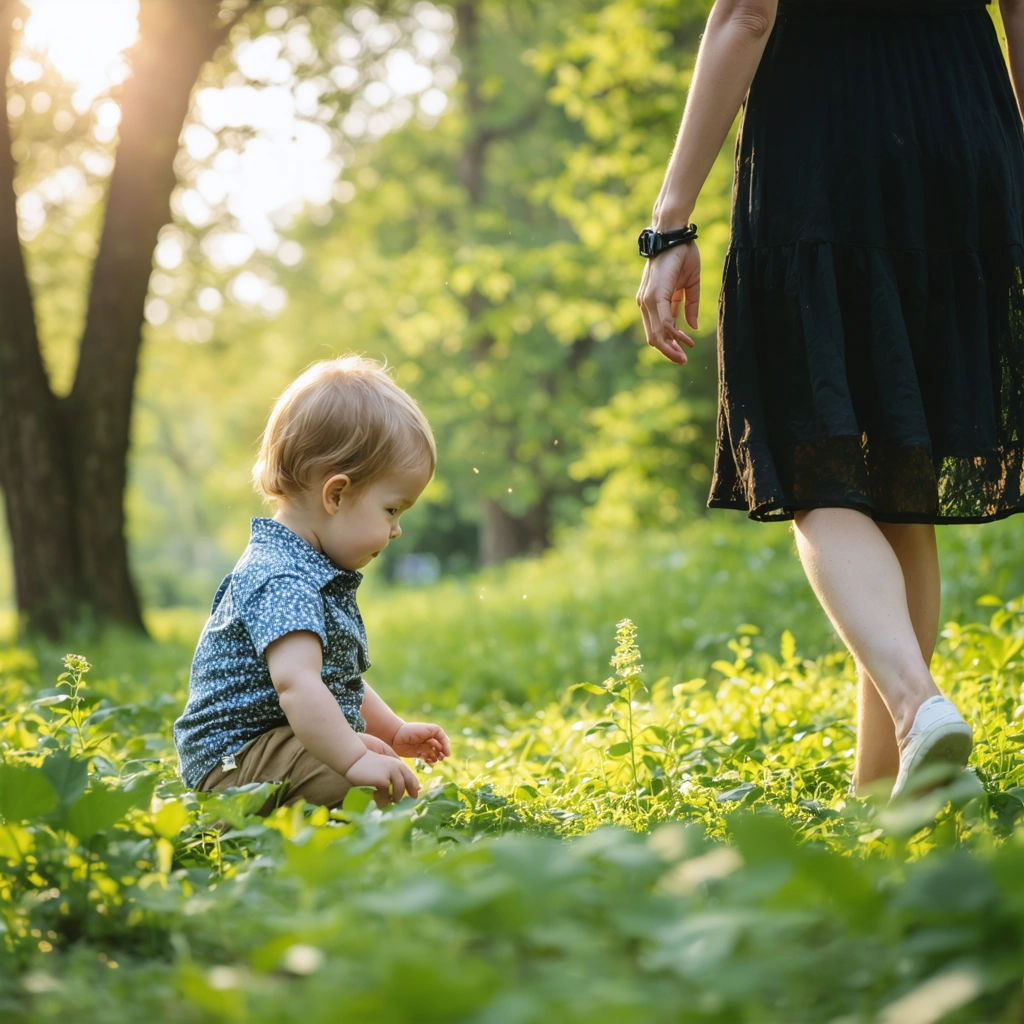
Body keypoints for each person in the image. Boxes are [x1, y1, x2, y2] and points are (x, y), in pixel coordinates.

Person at [637, 0, 1024, 798]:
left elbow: (747, 13)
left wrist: (670, 223)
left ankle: (918, 709)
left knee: (814, 462)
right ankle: (883, 796)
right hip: (966, 128)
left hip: (822, 145)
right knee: (901, 480)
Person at [173, 355, 451, 812]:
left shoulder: (307, 567)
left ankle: (338, 820)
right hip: (234, 762)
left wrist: (393, 732)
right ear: (336, 494)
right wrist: (355, 761)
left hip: (271, 745)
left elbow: (335, 682)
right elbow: (299, 686)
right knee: (357, 774)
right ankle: (240, 823)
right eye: (392, 510)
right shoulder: (281, 575)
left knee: (369, 757)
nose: (397, 529)